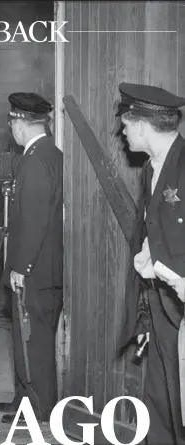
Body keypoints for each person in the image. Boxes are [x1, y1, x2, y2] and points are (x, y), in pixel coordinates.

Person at [117, 82, 185, 444]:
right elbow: (150, 240)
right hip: (160, 306)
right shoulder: (150, 169)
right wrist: (144, 313)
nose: (123, 131)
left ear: (142, 124)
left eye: (126, 124)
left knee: (183, 404)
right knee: (160, 397)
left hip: (182, 309)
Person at [0, 92, 63, 423]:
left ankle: (40, 407)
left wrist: (21, 268)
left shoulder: (35, 160)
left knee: (34, 340)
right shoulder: (50, 154)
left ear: (20, 124)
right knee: (28, 338)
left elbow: (35, 220)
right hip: (43, 265)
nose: (10, 127)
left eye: (11, 121)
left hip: (35, 269)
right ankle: (24, 399)